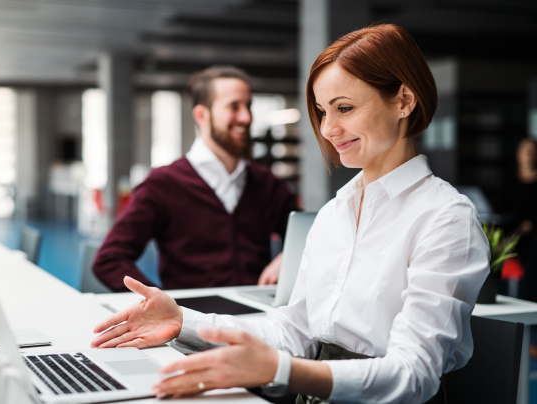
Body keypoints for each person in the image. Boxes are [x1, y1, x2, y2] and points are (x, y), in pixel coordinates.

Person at [90, 24, 489, 404]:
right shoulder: (334, 214)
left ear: (403, 101)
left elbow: (413, 375)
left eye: (344, 108)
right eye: (321, 111)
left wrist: (282, 370)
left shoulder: (445, 217)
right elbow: (294, 332)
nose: (329, 129)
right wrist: (183, 321)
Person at [93, 66, 299, 291]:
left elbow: (309, 238)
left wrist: (290, 257)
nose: (247, 117)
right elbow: (109, 260)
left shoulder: (267, 183)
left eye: (248, 106)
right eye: (234, 107)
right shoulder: (162, 185)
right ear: (202, 115)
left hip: (259, 321)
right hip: (193, 321)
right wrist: (159, 303)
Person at [510, 138, 537, 302]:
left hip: (531, 235)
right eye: (524, 150)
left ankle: (529, 300)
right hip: (513, 234)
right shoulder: (509, 180)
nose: (528, 154)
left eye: (532, 150)